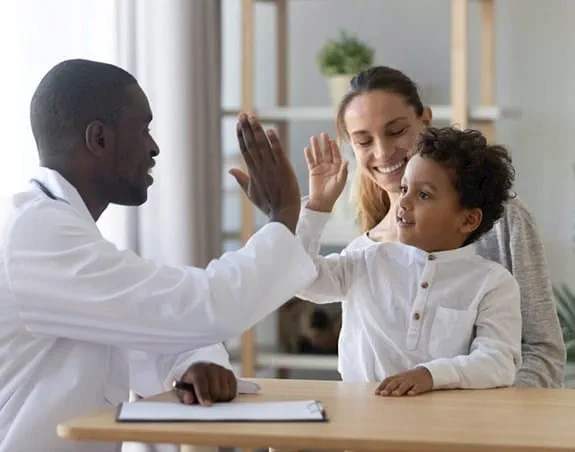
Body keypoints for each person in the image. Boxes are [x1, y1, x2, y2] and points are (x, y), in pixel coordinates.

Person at [0, 59, 317, 452]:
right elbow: (202, 304)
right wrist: (282, 217)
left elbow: (143, 322)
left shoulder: (53, 227)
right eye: (143, 129)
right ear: (98, 139)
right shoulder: (37, 234)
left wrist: (195, 363)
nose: (154, 147)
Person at [319, 65, 564, 388]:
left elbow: (542, 352)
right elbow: (302, 279)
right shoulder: (365, 252)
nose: (382, 151)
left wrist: (477, 418)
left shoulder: (506, 220)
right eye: (363, 141)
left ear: (425, 120)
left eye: (396, 131)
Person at [296, 125, 522, 395]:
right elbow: (301, 279)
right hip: (360, 419)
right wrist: (317, 207)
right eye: (404, 188)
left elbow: (498, 362)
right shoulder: (367, 259)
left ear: (468, 219)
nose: (403, 202)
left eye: (423, 194)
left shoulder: (493, 283)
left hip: (444, 427)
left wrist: (431, 375)